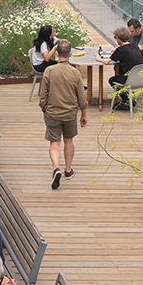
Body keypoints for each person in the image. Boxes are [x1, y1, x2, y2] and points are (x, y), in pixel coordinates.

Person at [39, 40, 87, 189]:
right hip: (70, 113)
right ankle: (68, 170)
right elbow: (82, 97)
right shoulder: (75, 73)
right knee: (68, 140)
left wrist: (43, 107)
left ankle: (56, 169)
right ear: (71, 55)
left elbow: (43, 94)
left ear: (57, 54)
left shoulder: (49, 71)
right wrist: (83, 114)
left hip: (53, 112)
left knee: (55, 143)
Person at [101, 27, 143, 111]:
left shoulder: (121, 49)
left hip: (130, 80)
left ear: (119, 38)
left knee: (112, 80)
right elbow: (127, 52)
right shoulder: (135, 46)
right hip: (141, 79)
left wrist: (98, 58)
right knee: (119, 72)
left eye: (115, 37)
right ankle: (129, 100)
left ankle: (127, 101)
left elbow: (106, 61)